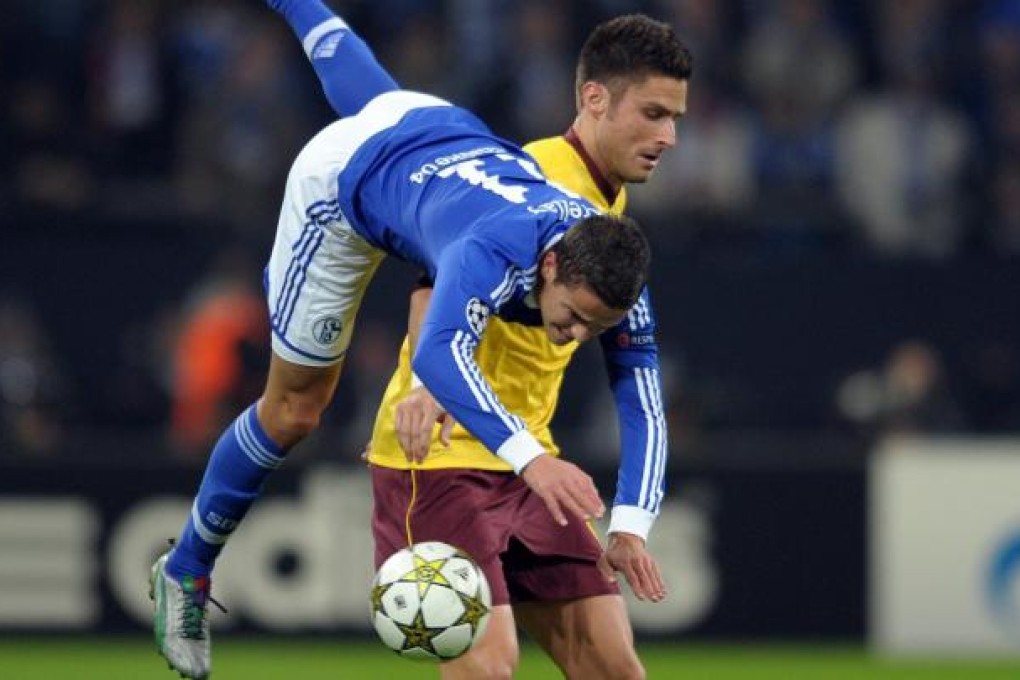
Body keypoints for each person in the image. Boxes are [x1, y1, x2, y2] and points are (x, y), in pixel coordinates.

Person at [149, 2, 661, 679]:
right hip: (341, 195)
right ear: (549, 267)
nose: (574, 337)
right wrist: (532, 459)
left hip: (432, 134)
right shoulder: (493, 249)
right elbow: (438, 350)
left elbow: (644, 401)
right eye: (571, 317)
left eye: (591, 329)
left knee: (375, 100)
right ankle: (186, 570)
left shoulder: (607, 260)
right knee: (294, 410)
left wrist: (632, 521)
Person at [284, 4, 691, 678]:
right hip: (446, 453)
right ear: (594, 100)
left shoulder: (608, 212)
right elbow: (430, 280)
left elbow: (637, 383)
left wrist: (630, 523)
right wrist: (420, 383)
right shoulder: (537, 178)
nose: (670, 135)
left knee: (615, 667)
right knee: (486, 663)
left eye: (675, 116)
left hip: (533, 462)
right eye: (653, 114)